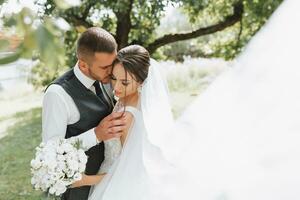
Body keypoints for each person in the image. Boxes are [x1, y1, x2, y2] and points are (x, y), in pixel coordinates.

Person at [42, 27, 128, 200]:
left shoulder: (105, 78)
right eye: (105, 67)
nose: (111, 71)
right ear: (83, 64)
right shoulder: (57, 95)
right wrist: (96, 134)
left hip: (108, 184)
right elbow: (51, 152)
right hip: (79, 190)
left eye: (113, 64)